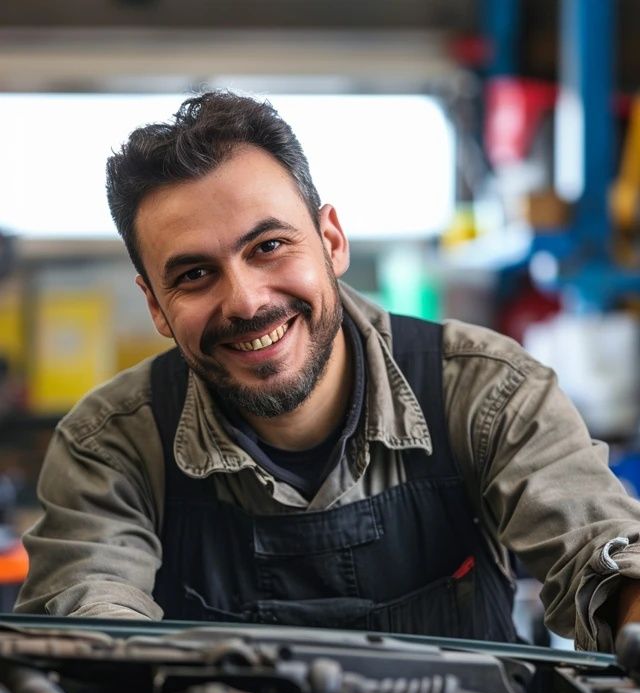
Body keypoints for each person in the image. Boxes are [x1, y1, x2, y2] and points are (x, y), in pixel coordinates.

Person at [14, 90, 640, 651]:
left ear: (331, 241)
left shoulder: (487, 392)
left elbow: (598, 547)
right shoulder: (110, 444)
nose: (247, 302)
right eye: (194, 274)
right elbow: (90, 624)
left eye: (269, 246)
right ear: (155, 303)